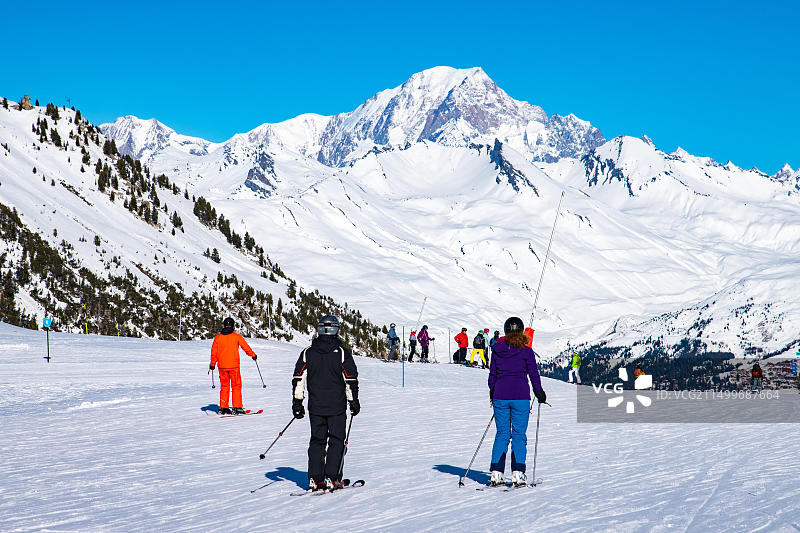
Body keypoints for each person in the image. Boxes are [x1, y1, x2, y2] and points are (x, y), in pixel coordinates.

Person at [292, 315, 360, 491]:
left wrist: (297, 402)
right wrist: (353, 401)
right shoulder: (342, 353)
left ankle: (315, 479)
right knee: (337, 441)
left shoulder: (308, 352)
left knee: (317, 441)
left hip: (316, 406)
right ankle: (332, 477)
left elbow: (299, 378)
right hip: (336, 406)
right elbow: (350, 379)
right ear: (336, 330)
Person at [488, 317, 546, 487]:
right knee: (519, 435)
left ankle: (496, 473)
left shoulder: (496, 350)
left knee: (502, 434)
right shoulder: (526, 351)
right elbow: (533, 374)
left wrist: (493, 392)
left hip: (500, 396)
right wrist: (539, 392)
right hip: (520, 397)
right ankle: (518, 474)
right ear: (521, 331)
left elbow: (492, 375)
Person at [209, 317, 257, 415]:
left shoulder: (218, 338)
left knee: (224, 386)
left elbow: (214, 352)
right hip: (234, 366)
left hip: (222, 366)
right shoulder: (236, 337)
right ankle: (237, 407)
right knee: (236, 386)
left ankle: (223, 407)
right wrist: (253, 355)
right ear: (233, 325)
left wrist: (213, 364)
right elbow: (245, 347)